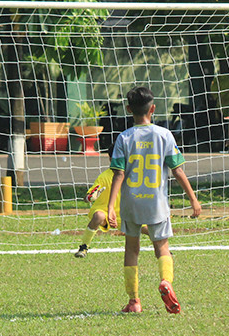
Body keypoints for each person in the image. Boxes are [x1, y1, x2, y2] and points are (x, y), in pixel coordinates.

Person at [74, 86, 202, 314]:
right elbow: (178, 171)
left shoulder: (124, 138)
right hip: (157, 204)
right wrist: (193, 200)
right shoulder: (165, 135)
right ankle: (166, 282)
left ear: (128, 109)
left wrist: (112, 208)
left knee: (131, 249)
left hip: (130, 203)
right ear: (153, 109)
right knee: (162, 248)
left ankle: (134, 301)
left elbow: (118, 175)